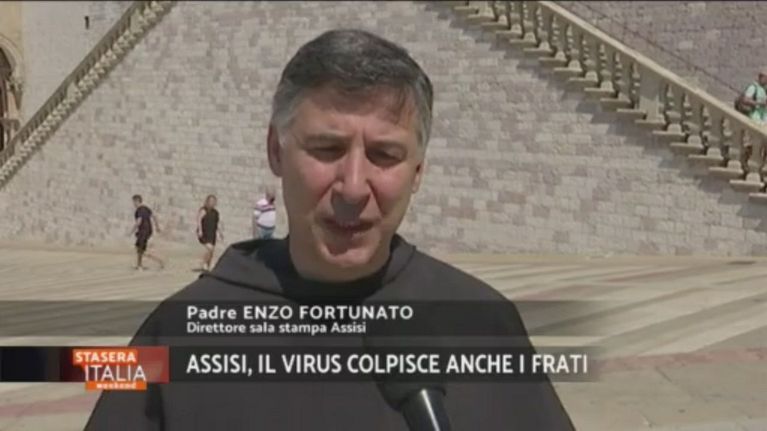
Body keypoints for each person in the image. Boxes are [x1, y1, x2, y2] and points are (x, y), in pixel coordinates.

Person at [87, 30, 574, 430]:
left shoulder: (483, 321)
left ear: (418, 173)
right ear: (276, 152)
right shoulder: (175, 331)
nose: (354, 187)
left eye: (384, 155)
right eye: (327, 149)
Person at [129, 194, 164, 271]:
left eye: (134, 202)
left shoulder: (139, 210)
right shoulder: (146, 208)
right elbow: (154, 216)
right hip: (148, 230)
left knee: (140, 249)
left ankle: (158, 261)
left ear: (137, 201)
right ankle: (139, 265)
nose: (133, 204)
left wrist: (132, 230)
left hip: (143, 231)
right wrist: (157, 227)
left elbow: (139, 221)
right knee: (139, 248)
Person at [196, 194, 223, 272]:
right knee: (210, 249)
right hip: (205, 232)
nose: (212, 203)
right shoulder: (203, 210)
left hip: (212, 233)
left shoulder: (216, 213)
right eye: (210, 201)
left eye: (213, 201)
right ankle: (203, 263)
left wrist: (220, 232)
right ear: (207, 202)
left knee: (211, 251)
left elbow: (217, 224)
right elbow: (199, 220)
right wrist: (200, 230)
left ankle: (208, 266)